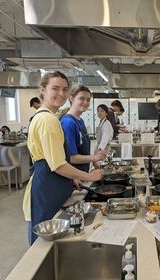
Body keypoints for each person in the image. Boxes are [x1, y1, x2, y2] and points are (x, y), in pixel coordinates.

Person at [22, 71, 103, 245]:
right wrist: (90, 176)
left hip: (50, 184)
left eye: (65, 89)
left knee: (49, 240)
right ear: (42, 90)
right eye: (55, 88)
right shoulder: (48, 120)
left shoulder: (46, 116)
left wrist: (72, 178)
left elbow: (53, 158)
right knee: (44, 246)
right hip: (47, 190)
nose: (61, 94)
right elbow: (58, 165)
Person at [60, 85, 106, 172]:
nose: (85, 102)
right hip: (73, 176)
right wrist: (94, 158)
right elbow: (71, 157)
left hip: (82, 172)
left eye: (88, 100)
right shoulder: (68, 123)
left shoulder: (80, 120)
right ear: (72, 98)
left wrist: (93, 160)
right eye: (81, 98)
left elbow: (82, 149)